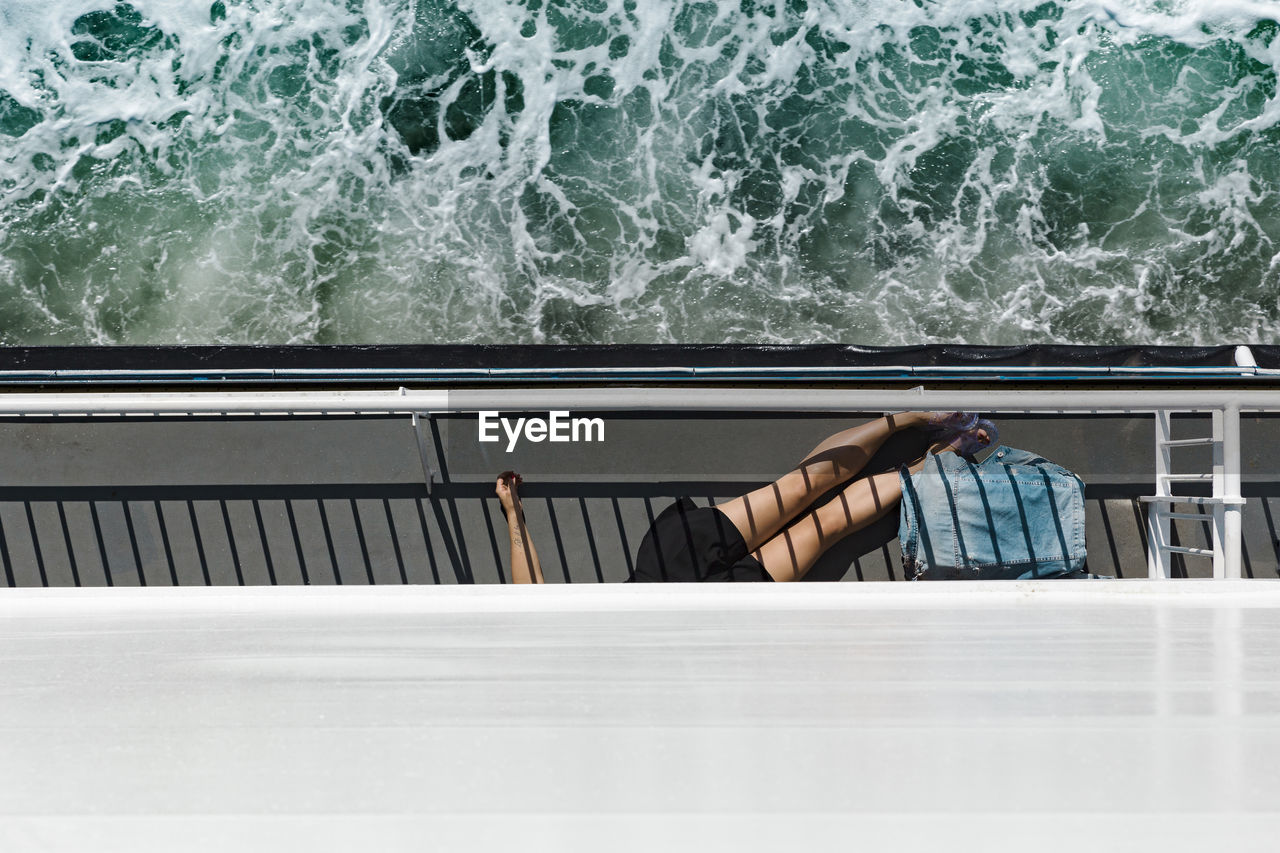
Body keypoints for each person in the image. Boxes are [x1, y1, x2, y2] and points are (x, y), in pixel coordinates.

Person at [494, 412, 994, 584]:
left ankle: (907, 417)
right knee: (826, 526)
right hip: (715, 606)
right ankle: (929, 463)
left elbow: (531, 594)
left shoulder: (547, 648)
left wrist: (514, 517)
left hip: (667, 563)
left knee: (798, 488)